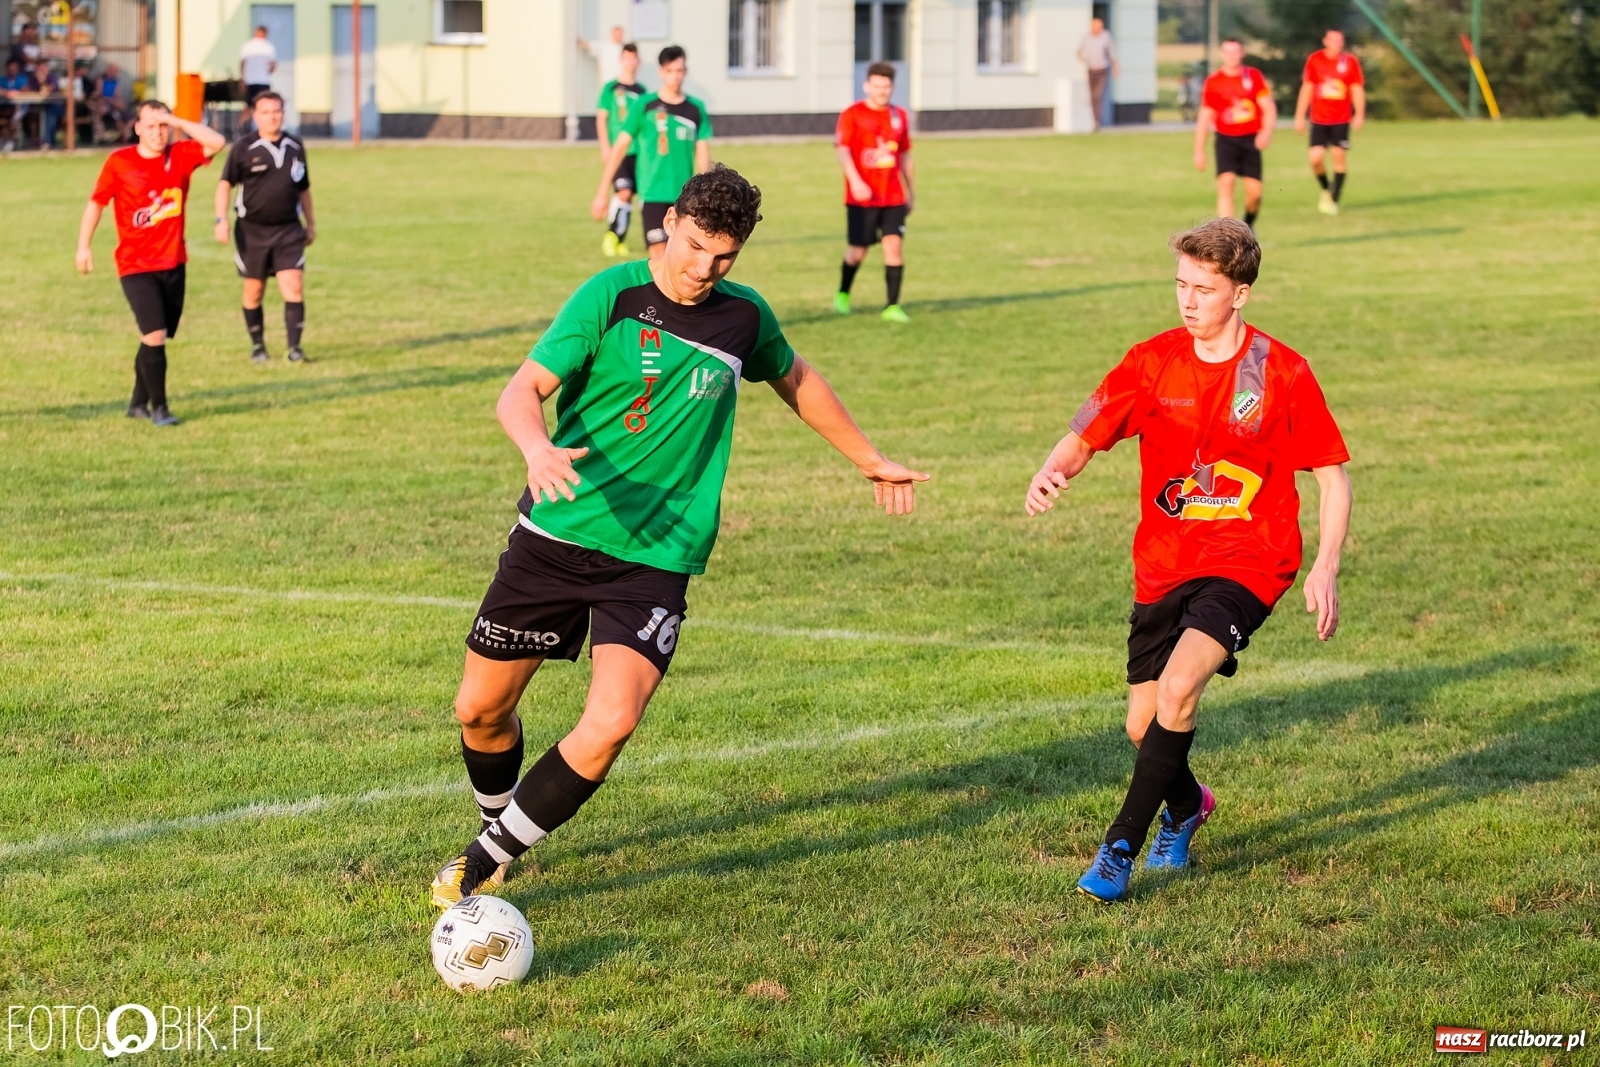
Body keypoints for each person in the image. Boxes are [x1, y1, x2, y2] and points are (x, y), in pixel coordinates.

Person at [431, 165, 930, 907]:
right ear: (669, 223)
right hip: (558, 531)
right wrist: (537, 450)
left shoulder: (744, 318)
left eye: (723, 256)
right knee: (479, 709)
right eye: (694, 246)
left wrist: (869, 458)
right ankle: (500, 825)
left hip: (656, 556)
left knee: (613, 720)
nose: (703, 268)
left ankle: (480, 861)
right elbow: (521, 389)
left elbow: (797, 378)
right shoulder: (614, 293)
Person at [1023, 218, 1351, 903]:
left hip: (1249, 559)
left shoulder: (1282, 371)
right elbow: (1083, 433)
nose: (1188, 299)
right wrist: (1054, 470)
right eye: (1181, 284)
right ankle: (1188, 805)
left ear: (1241, 294)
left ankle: (1118, 850)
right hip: (1163, 561)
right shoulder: (1150, 361)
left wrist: (1325, 564)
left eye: (1204, 288)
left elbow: (1330, 475)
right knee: (1142, 725)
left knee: (1178, 690)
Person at [76, 100, 228, 427]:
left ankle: (136, 403)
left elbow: (217, 142)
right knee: (155, 334)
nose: (158, 133)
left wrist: (175, 118)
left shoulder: (181, 155)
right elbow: (96, 203)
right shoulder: (119, 162)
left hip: (174, 262)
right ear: (137, 128)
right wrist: (83, 246)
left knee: (152, 337)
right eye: (151, 125)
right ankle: (160, 408)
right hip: (135, 265)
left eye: (162, 126)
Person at [214, 91, 314, 364]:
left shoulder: (295, 145)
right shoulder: (244, 148)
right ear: (256, 116)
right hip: (252, 232)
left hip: (288, 230)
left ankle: (295, 349)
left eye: (277, 111)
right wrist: (220, 219)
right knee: (254, 291)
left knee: (293, 286)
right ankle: (258, 346)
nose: (273, 117)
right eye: (266, 112)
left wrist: (311, 223)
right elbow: (225, 184)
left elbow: (304, 188)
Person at [590, 46, 712, 263]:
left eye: (680, 70)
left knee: (683, 259)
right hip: (653, 192)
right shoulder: (644, 105)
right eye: (670, 70)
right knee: (658, 257)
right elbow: (619, 148)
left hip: (684, 195)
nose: (675, 76)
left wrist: (707, 197)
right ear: (661, 72)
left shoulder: (696, 109)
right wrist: (602, 192)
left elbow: (703, 158)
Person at [833, 61, 914, 324]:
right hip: (862, 198)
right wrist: (855, 180)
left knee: (894, 246)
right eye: (877, 85)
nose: (882, 91)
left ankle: (892, 306)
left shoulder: (899, 116)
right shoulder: (852, 114)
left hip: (893, 196)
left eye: (886, 86)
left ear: (892, 87)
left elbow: (904, 155)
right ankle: (843, 293)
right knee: (858, 251)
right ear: (867, 85)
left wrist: (910, 191)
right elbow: (843, 149)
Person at [1194, 38, 1275, 230]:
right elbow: (1205, 116)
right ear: (1222, 54)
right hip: (1226, 139)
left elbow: (1268, 108)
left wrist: (1266, 132)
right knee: (1226, 182)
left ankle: (1248, 225)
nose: (1232, 56)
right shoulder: (1214, 82)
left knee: (1254, 193)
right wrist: (1199, 150)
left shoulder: (1253, 77)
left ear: (1242, 53)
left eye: (1235, 51)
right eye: (1228, 52)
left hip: (1250, 139)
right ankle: (1228, 234)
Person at [1294, 29, 1365, 217]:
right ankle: (1327, 188)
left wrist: (1359, 114)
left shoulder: (1350, 62)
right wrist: (1300, 115)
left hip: (1341, 119)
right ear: (1325, 41)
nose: (1337, 43)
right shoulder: (1315, 60)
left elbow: (1356, 88)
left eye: (1340, 40)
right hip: (1319, 119)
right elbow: (1307, 87)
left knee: (1339, 156)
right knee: (1315, 158)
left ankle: (1334, 199)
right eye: (1333, 40)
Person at [595, 42, 645, 257]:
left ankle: (620, 238)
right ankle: (611, 235)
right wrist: (605, 146)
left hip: (638, 152)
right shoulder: (611, 88)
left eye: (634, 58)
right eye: (627, 58)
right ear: (621, 60)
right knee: (623, 192)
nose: (630, 62)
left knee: (630, 195)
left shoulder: (642, 92)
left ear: (638, 62)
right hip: (619, 151)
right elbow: (601, 118)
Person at [1077, 17, 1120, 131]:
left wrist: (1115, 68)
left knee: (1098, 95)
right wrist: (1084, 58)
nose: (1098, 29)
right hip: (1091, 69)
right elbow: (1079, 51)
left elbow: (1112, 53)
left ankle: (1096, 121)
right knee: (1091, 96)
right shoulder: (1086, 37)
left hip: (1102, 70)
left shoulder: (1106, 37)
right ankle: (1092, 120)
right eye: (1096, 26)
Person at [239, 26, 277, 105]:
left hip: (251, 81)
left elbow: (242, 63)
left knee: (251, 106)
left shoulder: (247, 45)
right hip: (263, 81)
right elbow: (273, 65)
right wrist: (267, 72)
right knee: (263, 104)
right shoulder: (268, 46)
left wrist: (243, 78)